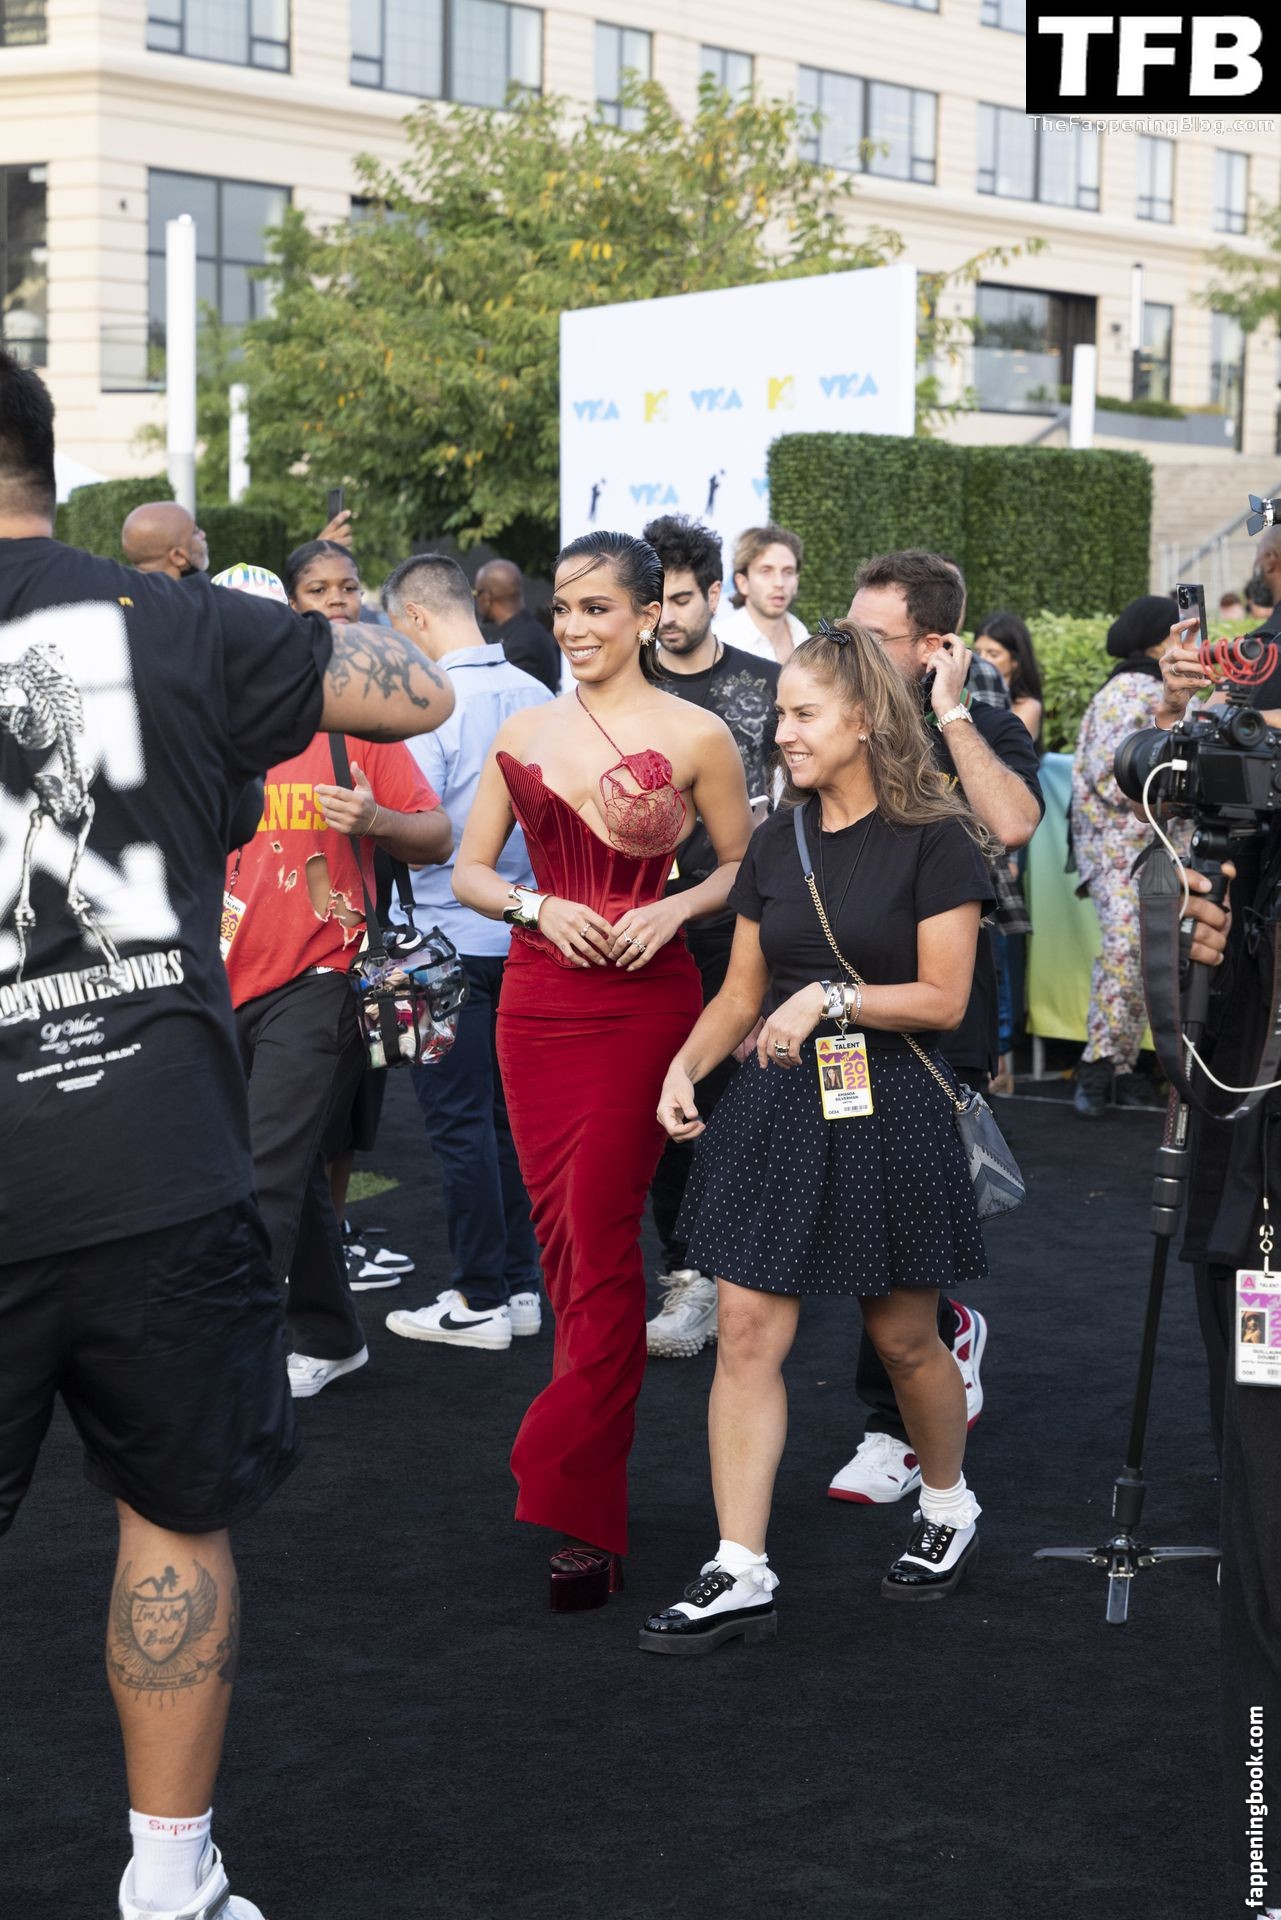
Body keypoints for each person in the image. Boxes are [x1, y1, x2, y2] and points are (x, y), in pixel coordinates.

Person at [0, 348, 451, 1920]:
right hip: (155, 1153)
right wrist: (286, 607)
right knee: (175, 1515)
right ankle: (168, 1881)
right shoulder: (176, 622)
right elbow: (418, 687)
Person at [640, 621, 994, 1654]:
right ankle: (739, 1566)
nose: (781, 731)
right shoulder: (775, 840)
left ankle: (947, 1502)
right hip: (781, 1107)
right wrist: (683, 1066)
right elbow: (740, 995)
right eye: (780, 713)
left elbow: (943, 999)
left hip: (896, 1107)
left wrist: (831, 998)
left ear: (865, 718)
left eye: (803, 713)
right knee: (747, 1331)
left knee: (903, 1339)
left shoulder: (937, 838)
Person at [453, 528, 753, 1608]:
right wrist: (537, 906)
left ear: (647, 615)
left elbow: (743, 864)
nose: (574, 628)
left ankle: (574, 1492)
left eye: (596, 609)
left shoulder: (699, 733)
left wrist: (674, 906)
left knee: (600, 1238)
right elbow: (471, 871)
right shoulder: (523, 728)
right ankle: (585, 1496)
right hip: (536, 1007)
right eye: (563, 610)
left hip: (644, 1005)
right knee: (566, 1246)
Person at [828, 549, 1043, 1506]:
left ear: (932, 645)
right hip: (835, 1008)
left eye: (871, 636)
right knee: (855, 1211)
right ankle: (945, 1331)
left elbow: (1013, 824)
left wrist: (951, 711)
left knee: (899, 1222)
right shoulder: (833, 716)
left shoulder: (980, 724)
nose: (848, 647)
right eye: (845, 628)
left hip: (935, 1013)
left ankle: (894, 1430)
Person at [228, 546, 450, 1392]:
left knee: (263, 1173)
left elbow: (435, 836)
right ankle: (329, 1337)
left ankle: (228, 1367)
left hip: (321, 979)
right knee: (271, 1169)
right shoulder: (203, 727)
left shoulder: (351, 723)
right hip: (215, 983)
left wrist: (376, 818)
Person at [1147, 632, 1281, 1914]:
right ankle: (1263, 1858)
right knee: (1261, 1518)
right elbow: (1214, 1049)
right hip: (1255, 1206)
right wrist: (1224, 936)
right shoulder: (1249, 781)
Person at [377, 552, 552, 1352]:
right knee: (508, 1124)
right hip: (524, 933)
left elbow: (416, 834)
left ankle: (481, 1295)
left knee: (459, 1127)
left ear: (414, 618)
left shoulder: (424, 705)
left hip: (437, 942)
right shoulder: (537, 694)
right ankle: (518, 1287)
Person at [641, 511, 781, 1360]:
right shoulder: (623, 689)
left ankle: (745, 1278)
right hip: (646, 932)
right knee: (667, 1108)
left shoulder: (766, 687)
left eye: (682, 599)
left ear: (715, 595)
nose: (665, 616)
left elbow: (802, 810)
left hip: (744, 927)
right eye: (653, 600)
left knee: (743, 1110)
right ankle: (687, 1275)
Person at [283, 538, 418, 1287]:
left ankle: (324, 1256)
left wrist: (376, 820)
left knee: (337, 1128)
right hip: (239, 965)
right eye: (318, 589)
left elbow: (433, 833)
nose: (338, 599)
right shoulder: (242, 712)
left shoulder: (376, 715)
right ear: (290, 605)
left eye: (348, 585)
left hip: (343, 965)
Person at [1069, 595, 1186, 1119]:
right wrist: (1173, 795)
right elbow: (1110, 775)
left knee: (1143, 954)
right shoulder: (1127, 691)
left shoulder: (1153, 687)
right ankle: (1098, 1064)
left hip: (1146, 847)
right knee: (1125, 951)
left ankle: (1121, 1067)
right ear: (1160, 639)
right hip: (1119, 848)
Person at [713, 524, 807, 665]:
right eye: (766, 571)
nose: (779, 583)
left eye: (788, 572)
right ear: (742, 582)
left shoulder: (807, 641)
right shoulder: (719, 643)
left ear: (796, 581)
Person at [474, 556, 561, 694]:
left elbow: (513, 697)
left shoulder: (522, 643)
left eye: (476, 593)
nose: (476, 599)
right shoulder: (523, 632)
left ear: (486, 597)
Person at [973, 611, 1044, 742]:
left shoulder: (1028, 707)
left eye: (993, 654)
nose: (982, 660)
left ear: (1015, 660)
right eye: (977, 652)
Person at [120, 500, 208, 579]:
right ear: (178, 556)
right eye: (195, 532)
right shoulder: (206, 591)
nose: (203, 534)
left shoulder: (122, 587)